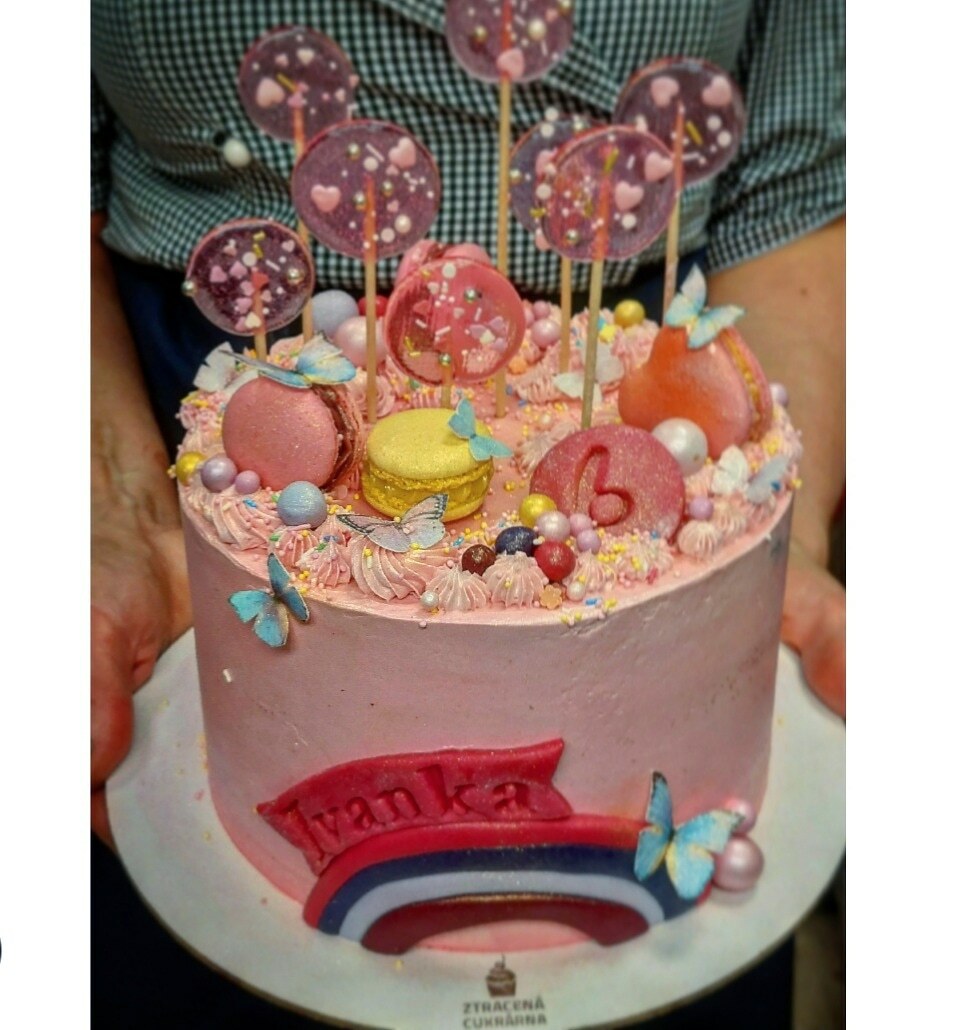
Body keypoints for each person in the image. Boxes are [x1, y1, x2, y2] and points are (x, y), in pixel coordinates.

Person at [92, 0, 845, 1024]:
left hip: (645, 356)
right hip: (235, 375)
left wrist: (778, 537)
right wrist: (109, 502)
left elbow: (800, 185)